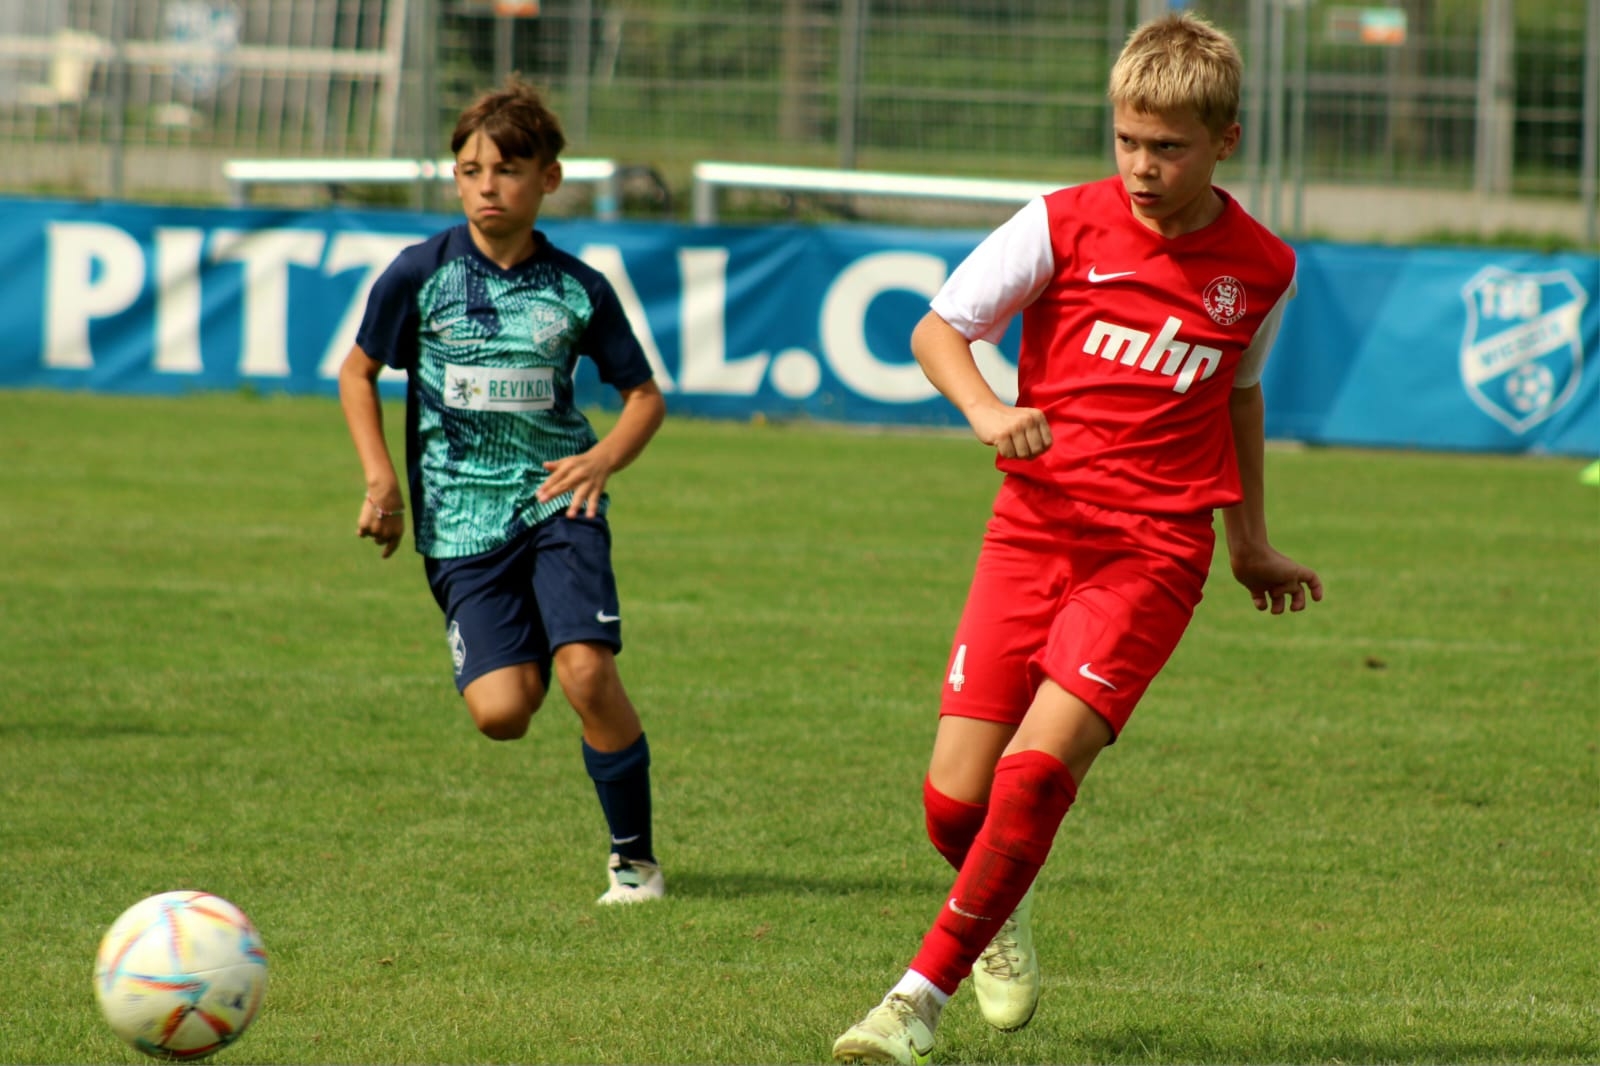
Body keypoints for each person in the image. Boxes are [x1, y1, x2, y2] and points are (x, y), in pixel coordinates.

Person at [831, 12, 1323, 1063]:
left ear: (1226, 141)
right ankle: (995, 906)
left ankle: (913, 1003)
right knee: (952, 805)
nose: (1142, 166)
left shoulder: (1264, 268)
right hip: (1030, 533)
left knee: (1031, 778)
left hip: (1152, 555)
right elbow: (937, 328)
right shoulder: (1058, 223)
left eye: (1168, 147)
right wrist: (985, 408)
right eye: (1127, 140)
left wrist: (1249, 541)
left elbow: (1238, 396)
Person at [337, 77, 668, 906]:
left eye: (508, 170)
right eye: (471, 170)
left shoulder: (578, 287)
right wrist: (381, 479)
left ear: (548, 178)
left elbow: (644, 397)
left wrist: (602, 461)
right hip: (459, 524)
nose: (488, 186)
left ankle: (635, 863)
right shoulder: (420, 274)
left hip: (560, 505)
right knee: (502, 713)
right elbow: (357, 371)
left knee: (587, 674)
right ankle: (543, 636)